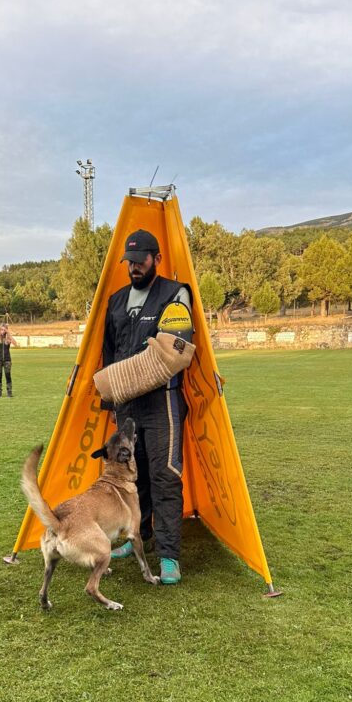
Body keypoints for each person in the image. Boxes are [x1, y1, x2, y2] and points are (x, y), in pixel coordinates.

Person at [100, 229, 194, 585]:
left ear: (157, 259)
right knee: (130, 475)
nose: (134, 268)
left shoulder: (175, 293)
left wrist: (135, 378)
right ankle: (139, 534)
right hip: (126, 404)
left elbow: (178, 350)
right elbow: (109, 354)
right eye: (130, 262)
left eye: (141, 261)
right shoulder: (116, 300)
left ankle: (168, 556)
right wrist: (111, 398)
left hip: (162, 402)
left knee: (165, 475)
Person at [0, 323, 18, 397]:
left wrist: (9, 333)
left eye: (4, 330)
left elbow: (15, 344)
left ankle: (9, 392)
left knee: (8, 376)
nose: (3, 331)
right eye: (1, 329)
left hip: (7, 359)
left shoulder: (8, 338)